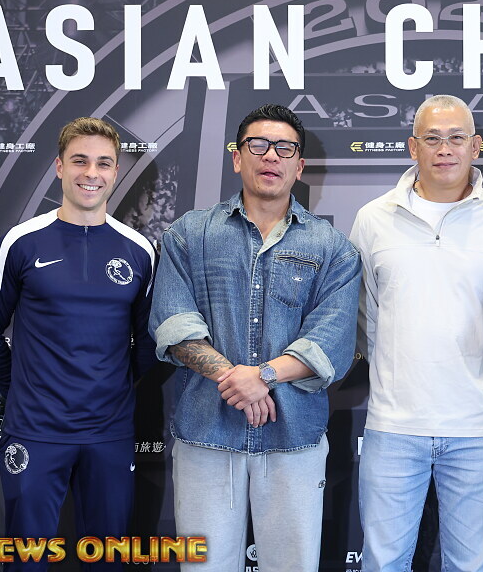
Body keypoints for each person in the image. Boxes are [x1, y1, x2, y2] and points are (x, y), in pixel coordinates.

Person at [149, 104, 361, 572]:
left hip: (294, 438)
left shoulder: (333, 248)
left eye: (284, 148)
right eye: (258, 145)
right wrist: (239, 380)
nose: (271, 156)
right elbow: (173, 325)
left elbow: (332, 340)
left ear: (299, 165)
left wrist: (261, 376)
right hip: (206, 434)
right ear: (237, 158)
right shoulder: (190, 234)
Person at [350, 94, 483, 572]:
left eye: (456, 138)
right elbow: (362, 314)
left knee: (471, 566)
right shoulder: (372, 218)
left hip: (477, 428)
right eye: (432, 138)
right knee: (382, 564)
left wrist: (482, 371)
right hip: (392, 427)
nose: (444, 149)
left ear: (476, 146)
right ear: (413, 147)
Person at [0, 117, 156, 569]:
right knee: (26, 559)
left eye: (103, 163)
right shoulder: (21, 242)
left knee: (108, 558)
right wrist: (22, 389)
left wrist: (113, 386)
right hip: (35, 430)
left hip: (109, 432)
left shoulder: (140, 250)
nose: (91, 173)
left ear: (116, 172)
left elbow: (149, 341)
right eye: (79, 161)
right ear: (59, 167)